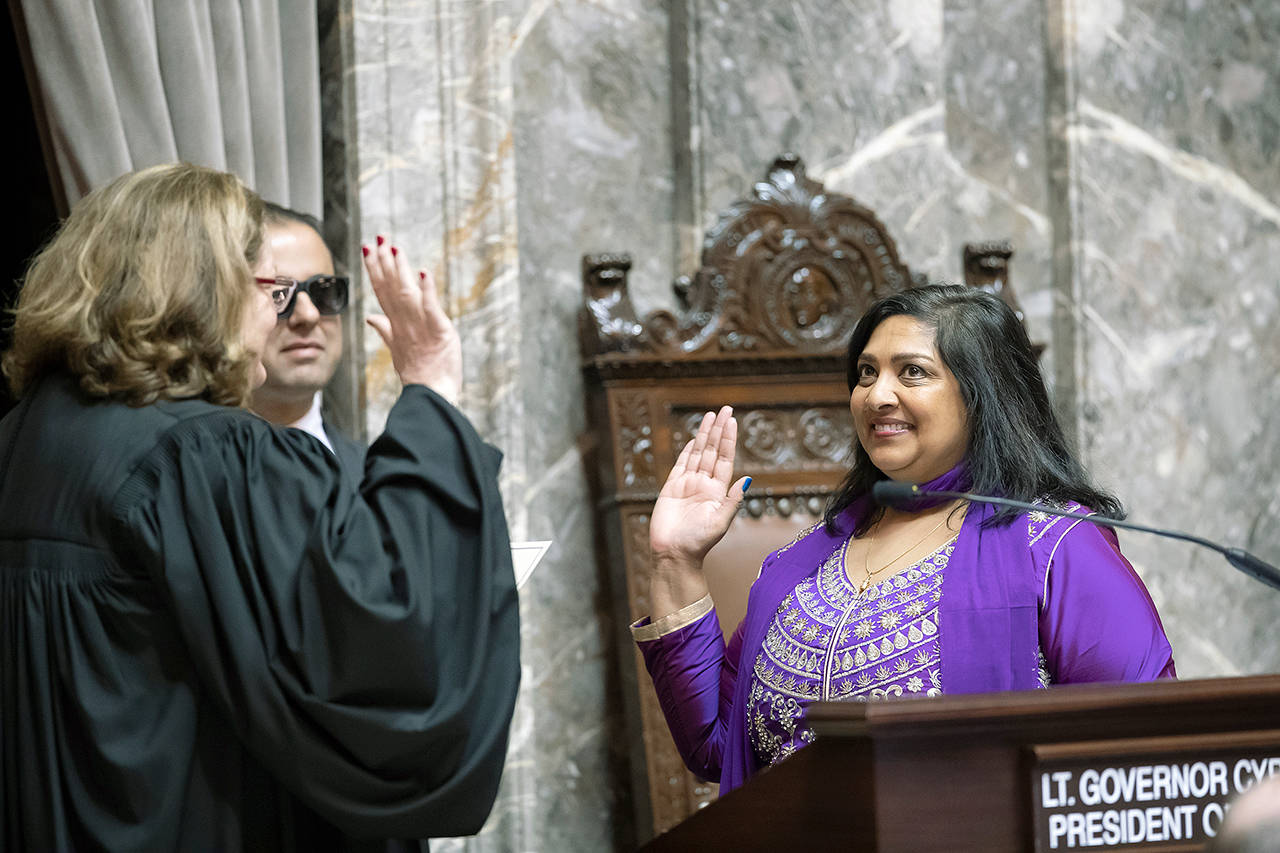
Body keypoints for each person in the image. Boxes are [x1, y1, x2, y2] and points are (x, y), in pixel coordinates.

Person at [0, 163, 520, 851]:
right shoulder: (201, 454)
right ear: (199, 288)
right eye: (268, 290)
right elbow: (385, 633)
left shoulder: (23, 439)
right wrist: (430, 393)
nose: (280, 315)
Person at [634, 284, 1175, 793]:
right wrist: (675, 560)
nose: (876, 396)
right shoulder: (799, 563)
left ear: (983, 396)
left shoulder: (1057, 545)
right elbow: (717, 748)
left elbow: (1135, 757)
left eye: (912, 372)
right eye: (866, 373)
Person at [249, 202, 364, 477]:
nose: (309, 315)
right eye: (279, 295)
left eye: (324, 292)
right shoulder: (188, 472)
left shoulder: (372, 476)